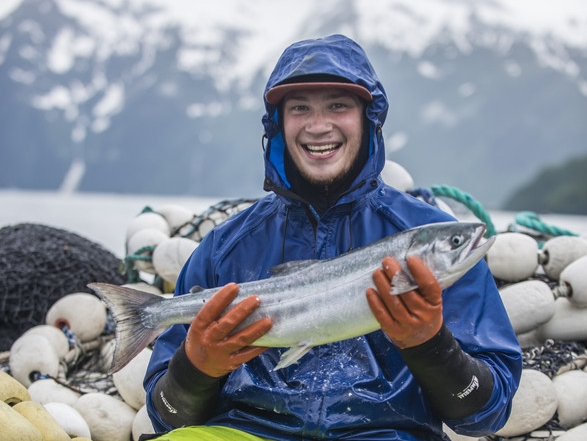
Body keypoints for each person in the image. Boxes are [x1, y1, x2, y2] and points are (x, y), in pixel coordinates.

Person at [143, 34, 522, 441]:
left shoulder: (423, 234)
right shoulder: (225, 248)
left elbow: (488, 413)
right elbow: (167, 416)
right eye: (299, 107)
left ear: (367, 117)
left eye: (337, 105)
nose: (318, 126)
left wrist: (432, 347)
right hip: (246, 432)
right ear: (278, 123)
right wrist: (195, 368)